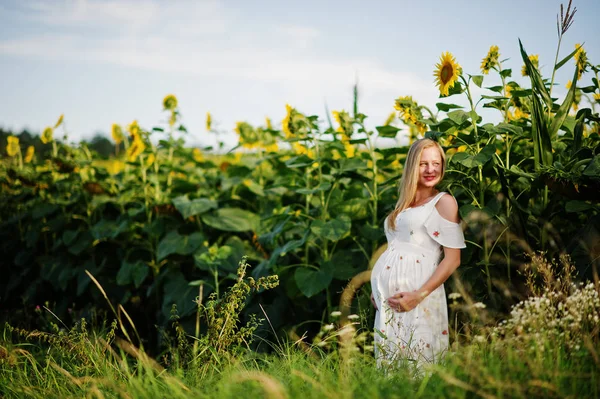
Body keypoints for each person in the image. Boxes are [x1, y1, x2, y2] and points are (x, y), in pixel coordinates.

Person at [370, 138, 465, 369]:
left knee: (419, 366)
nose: (431, 169)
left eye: (436, 163)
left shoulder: (443, 202)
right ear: (412, 166)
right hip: (391, 302)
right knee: (391, 366)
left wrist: (418, 295)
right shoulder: (405, 205)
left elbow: (453, 259)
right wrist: (378, 289)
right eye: (423, 163)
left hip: (418, 295)